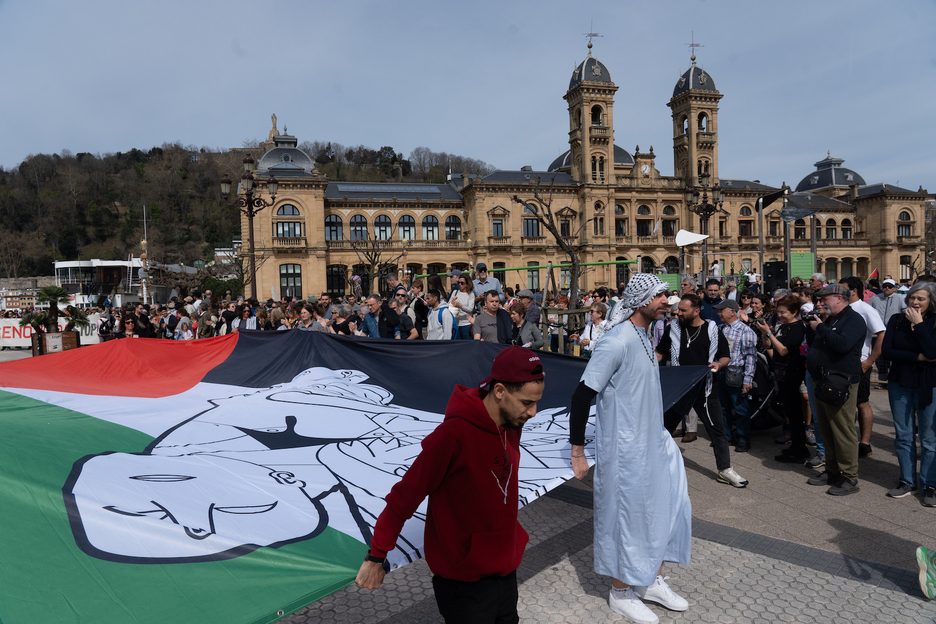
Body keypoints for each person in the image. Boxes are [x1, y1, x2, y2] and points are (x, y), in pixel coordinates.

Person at [356, 348, 546, 624]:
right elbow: (404, 498)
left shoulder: (511, 423)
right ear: (501, 391)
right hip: (464, 582)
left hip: (505, 570)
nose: (534, 412)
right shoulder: (451, 436)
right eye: (527, 403)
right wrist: (376, 556)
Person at [569, 274, 691, 623]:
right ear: (641, 302)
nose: (667, 300)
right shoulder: (616, 341)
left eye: (666, 294)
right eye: (660, 295)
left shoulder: (646, 334)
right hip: (624, 452)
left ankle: (649, 579)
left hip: (653, 443)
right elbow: (582, 396)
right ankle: (621, 592)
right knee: (626, 520)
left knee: (668, 509)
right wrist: (578, 451)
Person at [656, 294, 748, 488]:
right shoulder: (673, 328)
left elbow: (725, 356)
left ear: (696, 311)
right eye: (678, 310)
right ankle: (652, 466)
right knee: (662, 429)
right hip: (679, 389)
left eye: (683, 310)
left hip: (705, 388)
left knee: (717, 430)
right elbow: (659, 352)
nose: (678, 314)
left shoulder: (712, 329)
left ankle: (725, 470)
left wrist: (718, 365)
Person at [805, 284, 867, 495]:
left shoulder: (854, 320)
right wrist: (814, 326)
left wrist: (820, 328)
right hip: (822, 379)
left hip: (840, 382)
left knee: (842, 430)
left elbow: (842, 344)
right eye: (819, 300)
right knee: (826, 428)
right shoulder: (830, 319)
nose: (821, 303)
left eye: (825, 299)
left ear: (839, 298)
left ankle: (850, 477)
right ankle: (832, 470)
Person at [881, 283, 936, 504]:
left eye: (921, 299)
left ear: (931, 301)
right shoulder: (896, 320)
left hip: (928, 384)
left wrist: (920, 324)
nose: (915, 302)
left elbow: (933, 352)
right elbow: (887, 351)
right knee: (903, 435)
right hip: (900, 383)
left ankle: (930, 483)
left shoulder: (932, 321)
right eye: (912, 297)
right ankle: (907, 480)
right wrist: (917, 357)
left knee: (929, 438)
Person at [756, 295, 809, 463]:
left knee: (794, 413)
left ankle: (800, 449)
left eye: (783, 312)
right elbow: (769, 346)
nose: (779, 315)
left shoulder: (798, 327)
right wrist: (766, 335)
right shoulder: (783, 327)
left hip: (792, 374)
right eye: (778, 312)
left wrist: (769, 333)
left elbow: (784, 350)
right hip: (780, 374)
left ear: (794, 312)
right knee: (789, 413)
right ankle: (795, 446)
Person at [841, 277, 886, 460]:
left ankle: (865, 443)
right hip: (842, 364)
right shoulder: (842, 308)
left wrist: (870, 360)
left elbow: (881, 333)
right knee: (845, 404)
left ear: (854, 290)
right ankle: (848, 440)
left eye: (843, 289)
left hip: (860, 364)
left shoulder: (866, 309)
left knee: (862, 402)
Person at [716, 299, 758, 452]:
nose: (718, 313)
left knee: (740, 408)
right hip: (720, 373)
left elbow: (751, 357)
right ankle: (726, 437)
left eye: (721, 310)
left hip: (736, 373)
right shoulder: (720, 329)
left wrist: (748, 379)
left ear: (732, 311)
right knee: (722, 408)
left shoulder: (745, 331)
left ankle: (743, 439)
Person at [871, 278, 907, 381]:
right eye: (885, 286)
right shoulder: (875, 299)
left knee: (893, 354)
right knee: (879, 355)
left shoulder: (900, 298)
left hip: (894, 331)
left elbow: (905, 310)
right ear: (881, 287)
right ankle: (882, 378)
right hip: (878, 331)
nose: (887, 288)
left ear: (895, 288)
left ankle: (893, 377)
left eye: (890, 286)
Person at [448, 274, 476, 340]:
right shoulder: (455, 292)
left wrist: (460, 306)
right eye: (458, 282)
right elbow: (448, 304)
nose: (460, 284)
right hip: (456, 323)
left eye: (462, 283)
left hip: (466, 324)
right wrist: (451, 301)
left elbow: (470, 309)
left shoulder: (471, 295)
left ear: (467, 284)